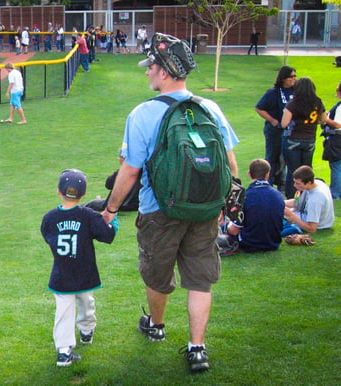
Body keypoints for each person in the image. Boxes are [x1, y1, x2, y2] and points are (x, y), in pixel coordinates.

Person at [101, 33, 239, 372]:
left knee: (156, 275)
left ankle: (157, 326)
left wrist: (110, 209)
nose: (147, 72)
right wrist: (224, 202)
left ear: (164, 70)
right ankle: (197, 348)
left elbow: (130, 171)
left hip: (158, 210)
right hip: (205, 210)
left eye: (150, 66)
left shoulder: (143, 114)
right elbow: (230, 164)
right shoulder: (210, 108)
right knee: (200, 279)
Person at [41, 169, 117, 367]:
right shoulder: (88, 215)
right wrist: (111, 220)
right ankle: (86, 330)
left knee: (64, 311)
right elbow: (107, 236)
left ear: (58, 191)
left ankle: (64, 351)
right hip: (85, 272)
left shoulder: (49, 218)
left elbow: (47, 235)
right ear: (83, 194)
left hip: (61, 274)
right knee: (86, 302)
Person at [217, 159, 284, 254]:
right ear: (267, 174)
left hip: (250, 244)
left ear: (249, 174)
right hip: (273, 242)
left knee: (222, 226)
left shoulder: (244, 197)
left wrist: (227, 225)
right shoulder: (278, 195)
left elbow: (234, 230)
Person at [280, 76, 325, 199]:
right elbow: (323, 119)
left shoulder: (293, 103)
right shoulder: (318, 102)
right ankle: (307, 196)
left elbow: (284, 123)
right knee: (306, 170)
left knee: (293, 171)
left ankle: (291, 197)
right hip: (310, 139)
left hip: (293, 139)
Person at [255, 66, 297, 192]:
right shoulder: (273, 92)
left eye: (295, 76)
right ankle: (268, 181)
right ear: (283, 78)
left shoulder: (296, 92)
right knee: (272, 157)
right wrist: (272, 120)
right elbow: (259, 108)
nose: (294, 79)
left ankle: (282, 181)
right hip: (274, 131)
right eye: (291, 76)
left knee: (285, 158)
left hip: (290, 131)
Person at [282, 165, 335, 235]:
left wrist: (291, 215)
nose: (294, 185)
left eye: (298, 183)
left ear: (309, 182)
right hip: (303, 215)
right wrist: (279, 202)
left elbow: (312, 228)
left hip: (314, 224)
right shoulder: (316, 183)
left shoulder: (316, 199)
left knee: (275, 219)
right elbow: (297, 202)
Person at [322, 81, 341, 199]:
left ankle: (335, 194)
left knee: (336, 167)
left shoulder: (340, 106)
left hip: (337, 139)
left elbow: (338, 124)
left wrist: (325, 119)